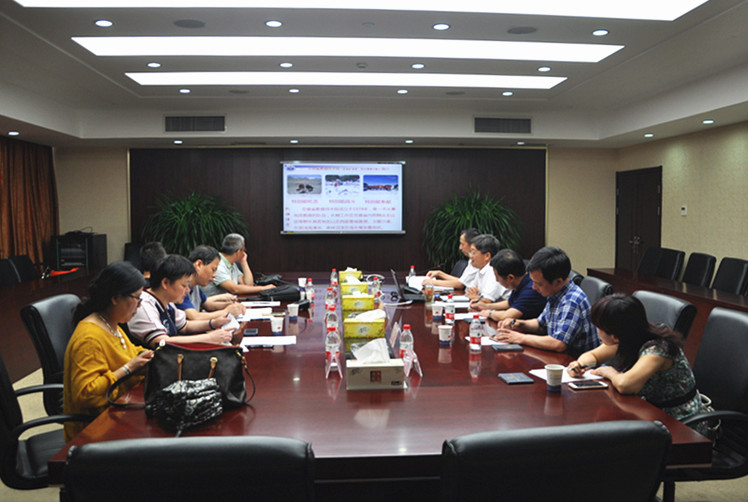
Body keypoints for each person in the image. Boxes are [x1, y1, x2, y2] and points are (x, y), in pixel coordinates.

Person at [567, 294, 707, 432]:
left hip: (680, 423)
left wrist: (609, 372)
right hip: (649, 413)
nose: (597, 331)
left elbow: (625, 385)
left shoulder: (657, 350)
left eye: (599, 328)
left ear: (615, 336)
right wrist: (580, 365)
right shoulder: (629, 337)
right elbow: (593, 355)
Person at [63, 261, 154, 441]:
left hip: (116, 411)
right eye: (137, 298)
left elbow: (128, 351)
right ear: (115, 298)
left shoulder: (111, 323)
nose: (139, 306)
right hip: (93, 430)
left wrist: (147, 356)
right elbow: (86, 394)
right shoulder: (89, 338)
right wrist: (129, 368)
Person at [495, 246, 599, 357]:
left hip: (577, 362)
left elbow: (558, 343)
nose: (534, 287)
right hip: (558, 359)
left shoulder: (572, 300)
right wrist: (517, 323)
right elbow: (540, 324)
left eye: (538, 284)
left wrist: (521, 338)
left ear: (558, 282)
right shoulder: (555, 293)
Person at [128, 254, 233, 348]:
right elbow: (161, 341)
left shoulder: (167, 302)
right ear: (165, 283)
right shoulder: (144, 305)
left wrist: (213, 323)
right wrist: (209, 338)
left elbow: (185, 326)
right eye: (184, 285)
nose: (188, 290)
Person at [175, 245, 246, 321]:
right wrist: (226, 311)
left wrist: (231, 305)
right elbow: (194, 317)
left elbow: (208, 304)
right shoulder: (182, 287)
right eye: (213, 269)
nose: (214, 275)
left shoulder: (196, 286)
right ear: (199, 265)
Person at [471, 249, 546, 322]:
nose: (497, 280)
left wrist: (489, 313)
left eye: (497, 277)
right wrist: (486, 306)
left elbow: (506, 316)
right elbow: (510, 303)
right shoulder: (522, 281)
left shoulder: (531, 289)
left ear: (510, 278)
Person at [201, 233, 276, 297]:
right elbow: (234, 289)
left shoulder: (231, 263)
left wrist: (244, 262)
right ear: (238, 252)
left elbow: (248, 285)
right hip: (212, 307)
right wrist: (263, 288)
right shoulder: (218, 264)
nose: (244, 253)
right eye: (243, 250)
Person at [463, 234, 506, 303]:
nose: (470, 256)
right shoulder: (481, 269)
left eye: (473, 252)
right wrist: (472, 293)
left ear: (487, 256)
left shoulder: (494, 271)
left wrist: (474, 296)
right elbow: (469, 292)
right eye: (470, 252)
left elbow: (487, 301)